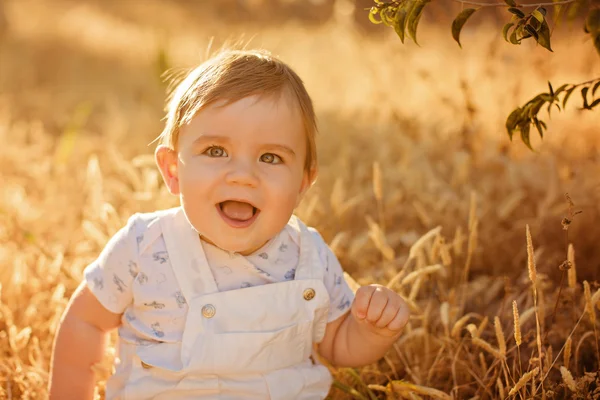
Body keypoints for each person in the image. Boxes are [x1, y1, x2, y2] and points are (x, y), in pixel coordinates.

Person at [48, 49, 410, 400]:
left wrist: (371, 331)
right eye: (216, 152)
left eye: (270, 157)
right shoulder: (144, 246)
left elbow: (337, 343)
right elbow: (87, 321)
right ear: (173, 171)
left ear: (302, 182)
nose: (242, 176)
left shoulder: (309, 256)